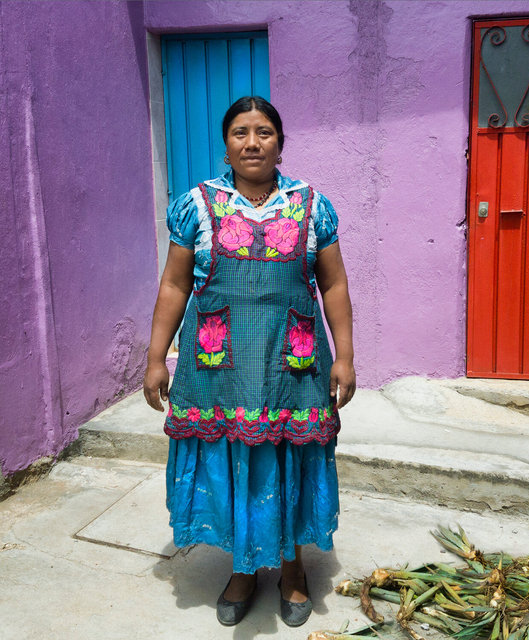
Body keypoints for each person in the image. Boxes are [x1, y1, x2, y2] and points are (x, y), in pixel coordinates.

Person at [143, 96, 355, 627]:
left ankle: (290, 570)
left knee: (287, 455)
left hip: (293, 366)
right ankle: (241, 569)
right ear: (226, 144)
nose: (253, 142)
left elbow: (333, 283)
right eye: (241, 132)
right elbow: (173, 284)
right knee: (234, 454)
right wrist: (154, 358)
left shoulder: (312, 205)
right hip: (218, 364)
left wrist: (345, 356)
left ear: (280, 143)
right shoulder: (196, 205)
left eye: (264, 132)